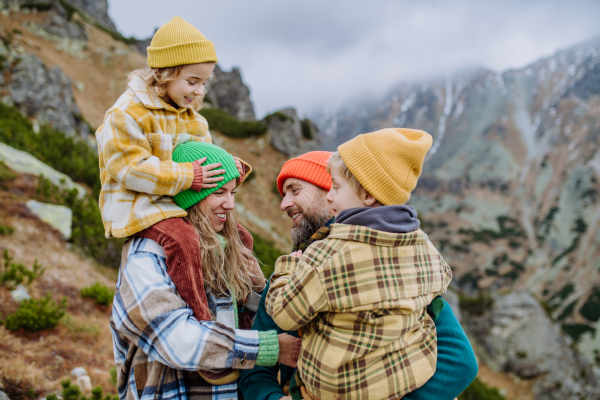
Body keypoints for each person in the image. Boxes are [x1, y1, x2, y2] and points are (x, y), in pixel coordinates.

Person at [239, 150, 478, 400]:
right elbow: (255, 365)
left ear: (331, 189)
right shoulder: (290, 273)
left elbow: (460, 362)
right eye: (283, 194)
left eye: (295, 190)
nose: (284, 204)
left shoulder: (395, 261)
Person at [111, 142, 300, 398]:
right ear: (192, 196)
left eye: (233, 193)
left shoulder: (223, 249)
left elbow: (232, 328)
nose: (230, 204)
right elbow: (174, 340)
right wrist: (267, 348)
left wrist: (256, 292)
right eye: (220, 192)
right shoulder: (147, 253)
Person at [96, 16, 247, 322]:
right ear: (164, 74)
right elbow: (130, 168)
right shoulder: (127, 114)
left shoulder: (194, 119)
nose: (199, 91)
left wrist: (230, 169)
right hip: (142, 209)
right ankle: (202, 320)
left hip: (178, 205)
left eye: (204, 83)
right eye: (192, 82)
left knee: (240, 236)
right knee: (183, 240)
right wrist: (188, 176)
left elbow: (206, 159)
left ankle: (244, 312)